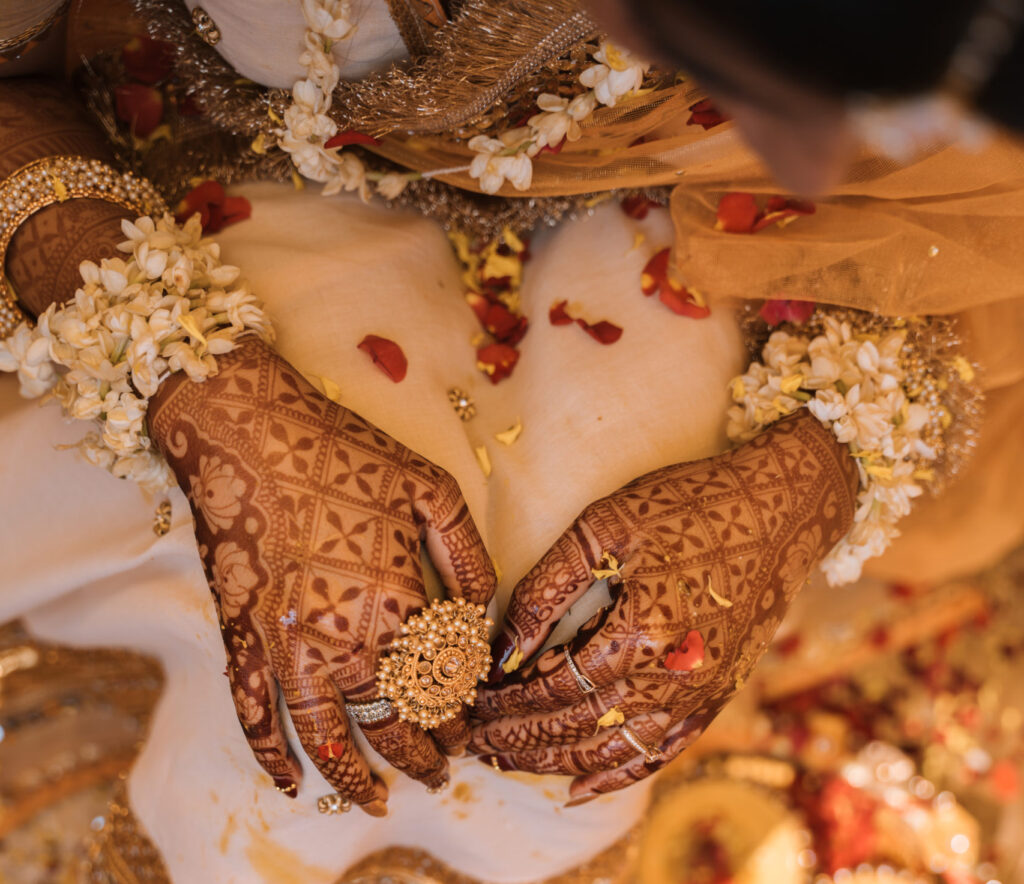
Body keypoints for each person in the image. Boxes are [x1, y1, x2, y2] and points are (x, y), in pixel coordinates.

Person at [0, 0, 1020, 881]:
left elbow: (946, 207)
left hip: (701, 212)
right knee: (319, 671)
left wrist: (810, 470)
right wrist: (200, 386)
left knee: (590, 641)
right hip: (196, 133)